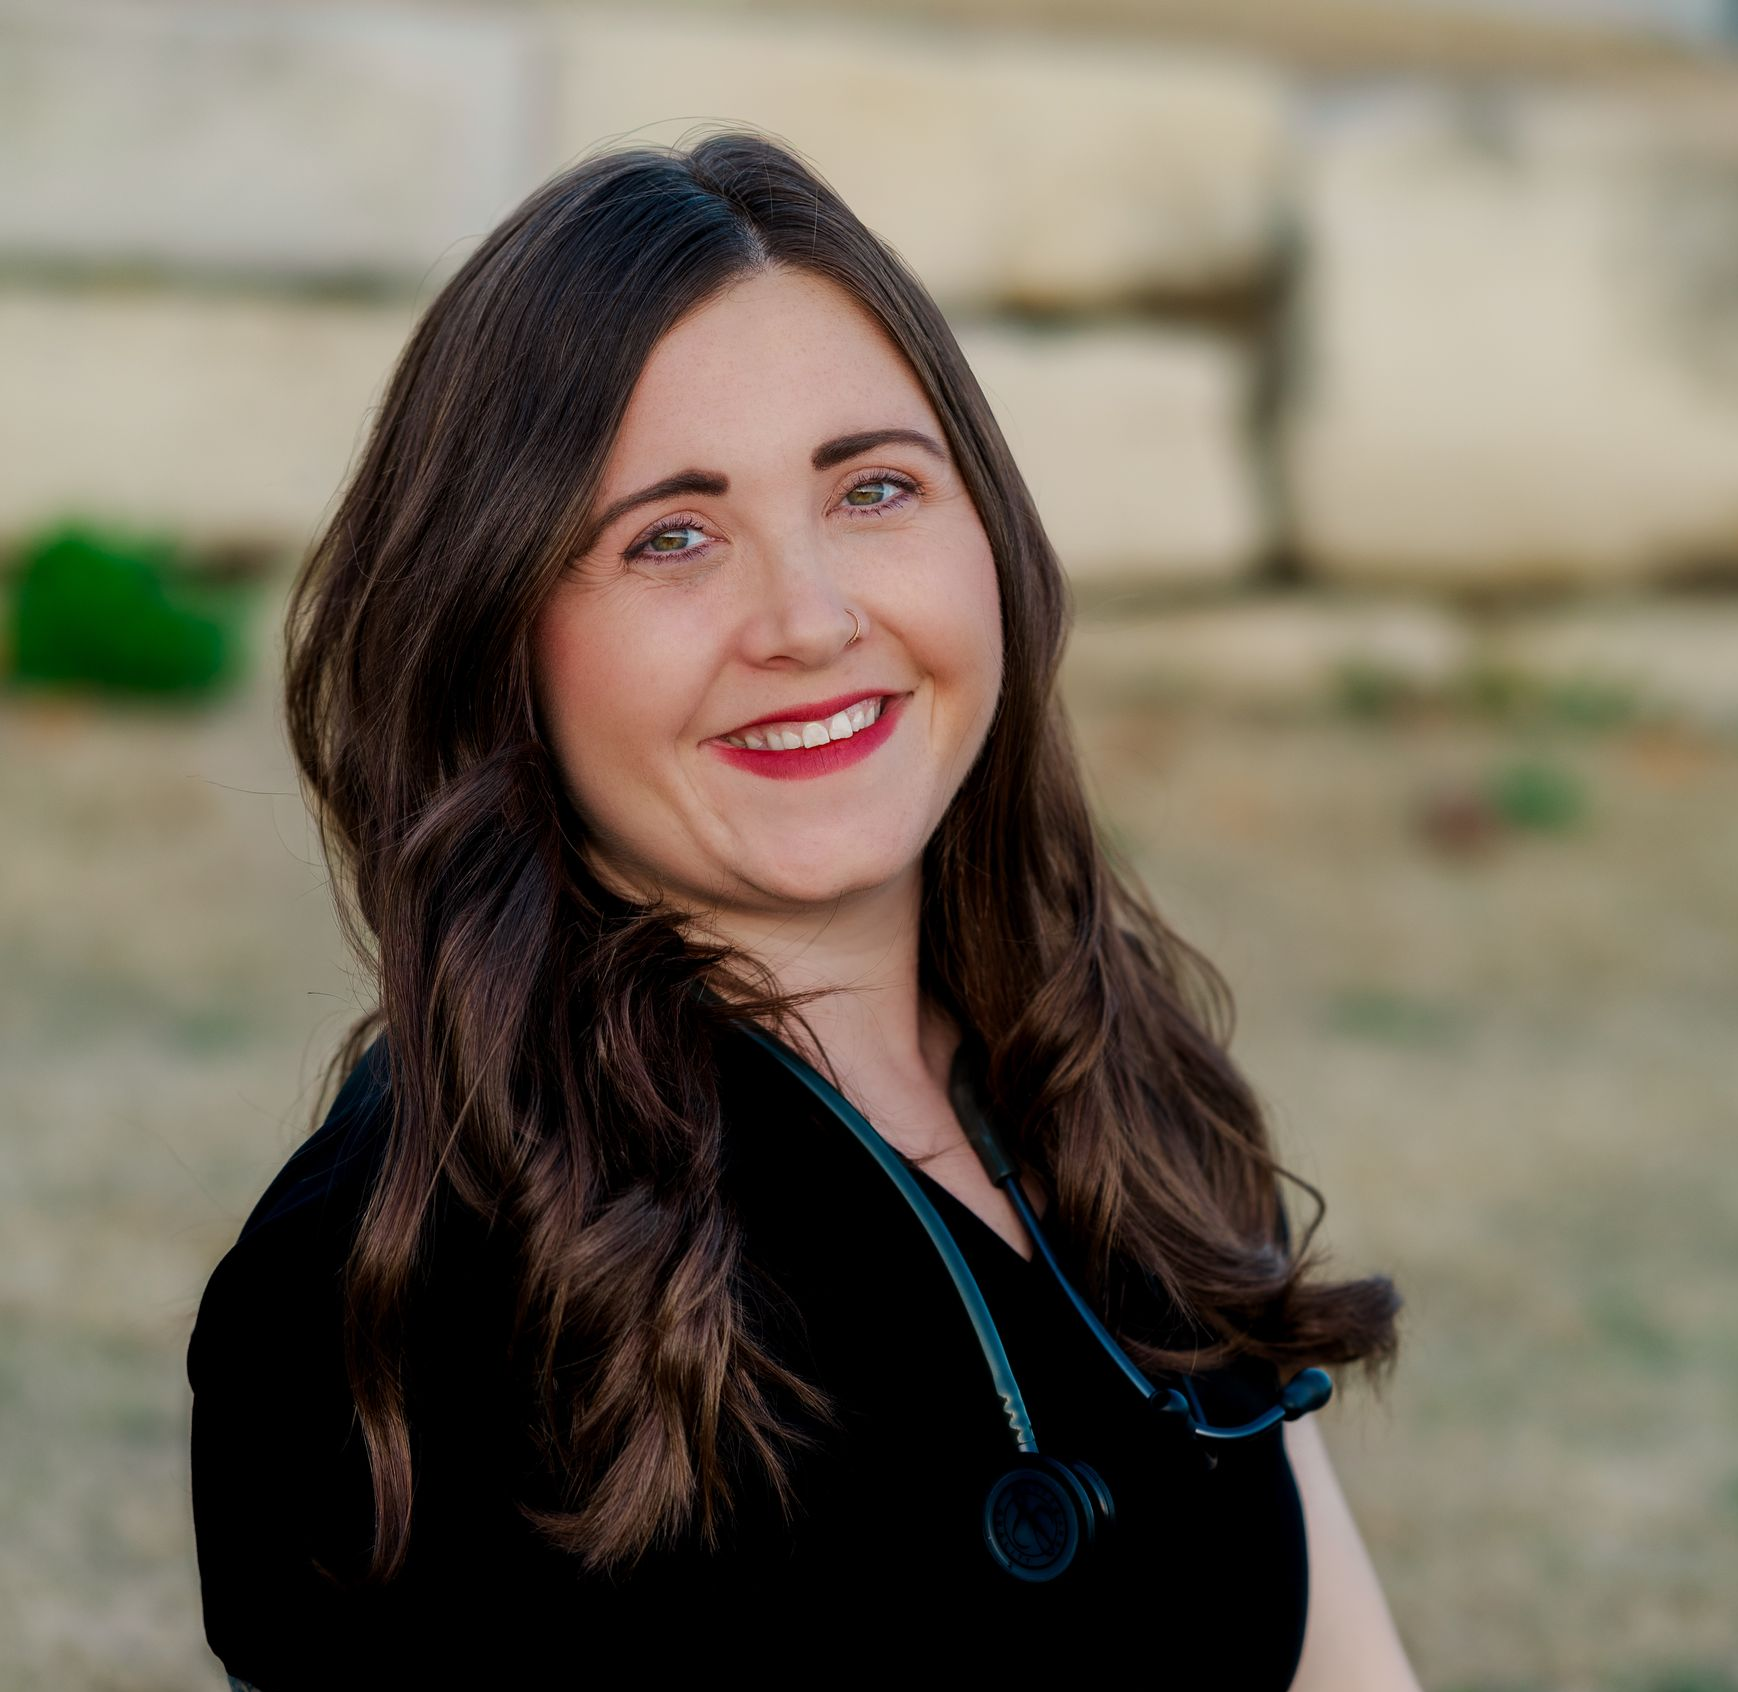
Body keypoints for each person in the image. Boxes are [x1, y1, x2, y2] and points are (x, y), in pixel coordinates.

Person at [186, 130, 1416, 1687]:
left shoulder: (1100, 1074)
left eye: (876, 489)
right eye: (671, 539)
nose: (813, 622)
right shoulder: (398, 1272)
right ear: (496, 637)